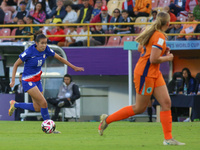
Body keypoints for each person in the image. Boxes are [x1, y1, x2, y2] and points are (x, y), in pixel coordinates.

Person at [98, 11, 185, 145]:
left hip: (154, 73)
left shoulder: (151, 31)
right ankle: (107, 120)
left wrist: (162, 50)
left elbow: (140, 48)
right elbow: (153, 59)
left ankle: (168, 139)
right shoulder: (160, 36)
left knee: (166, 103)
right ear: (168, 23)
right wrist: (168, 57)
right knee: (139, 108)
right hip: (145, 74)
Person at [9, 33, 84, 133]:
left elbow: (60, 58)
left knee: (37, 107)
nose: (44, 45)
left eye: (45, 43)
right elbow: (15, 65)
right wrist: (13, 80)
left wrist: (73, 67)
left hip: (37, 80)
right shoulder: (29, 51)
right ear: (36, 43)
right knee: (44, 103)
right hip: (28, 80)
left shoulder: (47, 49)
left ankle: (15, 105)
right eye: (42, 43)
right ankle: (50, 129)